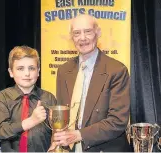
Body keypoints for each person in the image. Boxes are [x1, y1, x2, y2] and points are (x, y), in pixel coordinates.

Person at [54, 15, 131, 152]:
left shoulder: (117, 71)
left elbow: (118, 121)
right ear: (71, 37)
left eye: (88, 31)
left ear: (98, 32)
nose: (82, 38)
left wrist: (79, 135)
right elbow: (62, 117)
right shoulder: (63, 71)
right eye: (77, 33)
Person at [0, 45, 57, 152]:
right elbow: (2, 132)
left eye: (31, 68)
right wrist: (31, 121)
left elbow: (56, 130)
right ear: (11, 72)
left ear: (38, 71)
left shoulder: (49, 98)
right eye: (20, 69)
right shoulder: (2, 98)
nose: (27, 73)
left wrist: (56, 142)